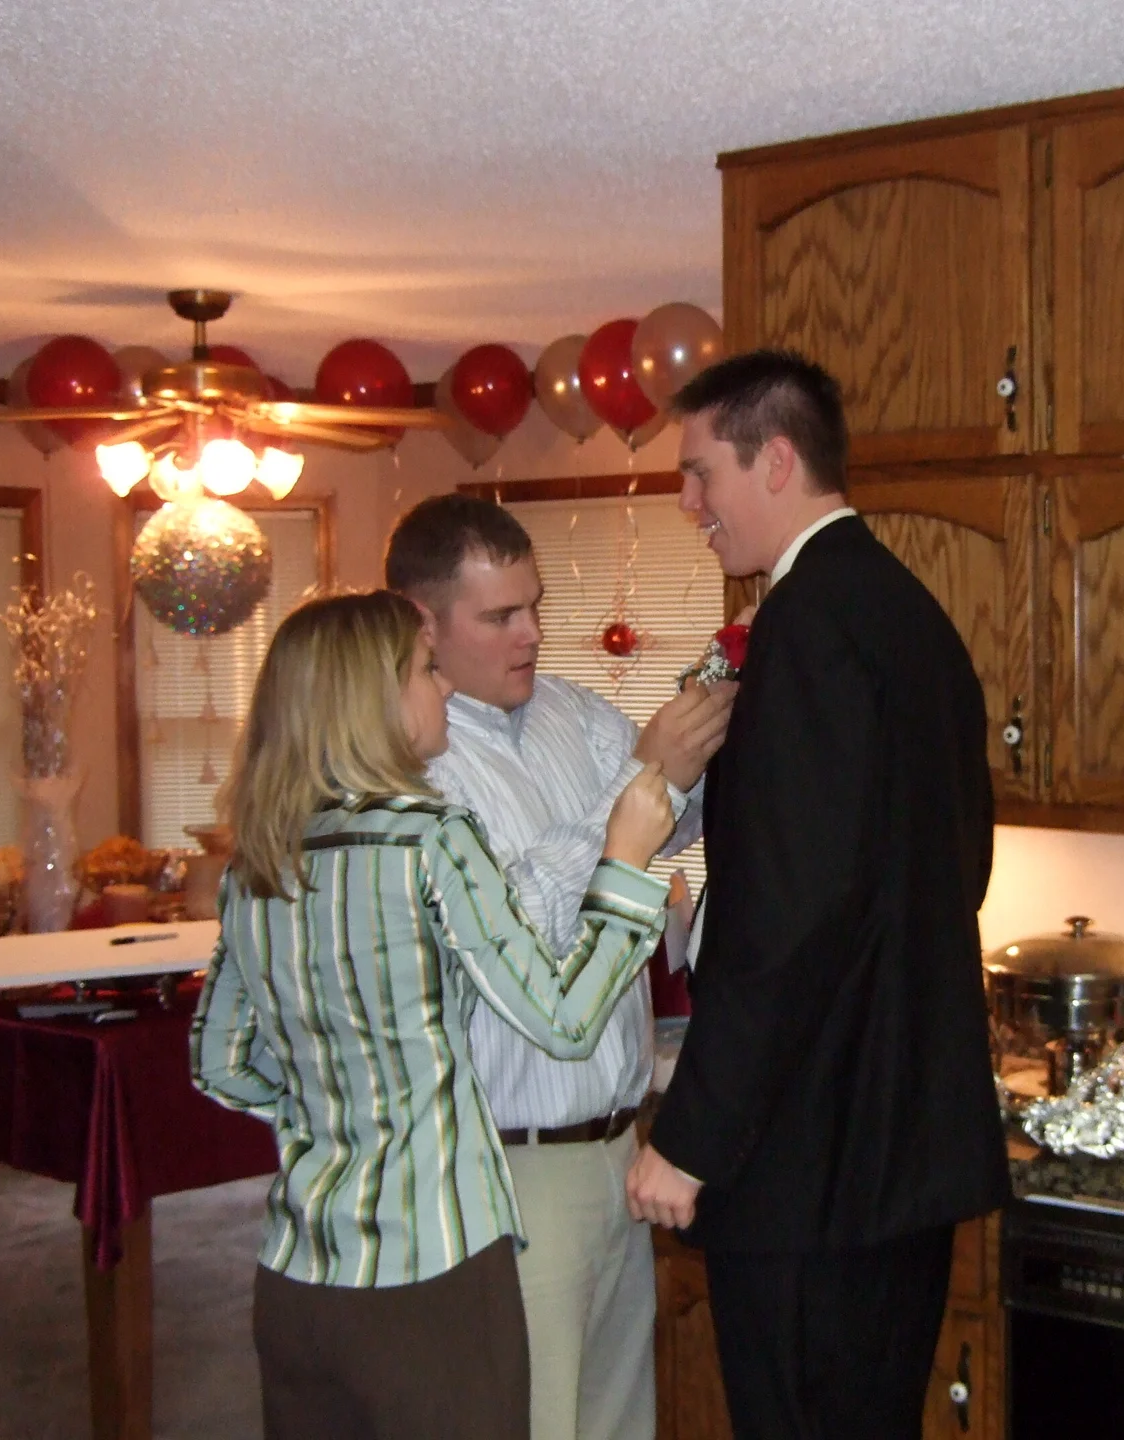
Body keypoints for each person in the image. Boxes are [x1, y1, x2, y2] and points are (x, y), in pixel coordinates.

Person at [627, 350, 1011, 1439]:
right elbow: (961, 866)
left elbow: (785, 925)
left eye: (701, 472)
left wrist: (690, 1137)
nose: (689, 501)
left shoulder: (806, 625)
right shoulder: (909, 615)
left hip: (812, 1164)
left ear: (777, 460)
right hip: (899, 1149)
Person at [190, 588, 677, 1440]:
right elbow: (564, 1022)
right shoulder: (430, 838)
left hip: (298, 1274)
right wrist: (625, 865)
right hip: (433, 1272)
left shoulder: (258, 861)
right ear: (372, 701)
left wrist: (343, 1110)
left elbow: (222, 1065)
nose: (444, 685)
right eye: (424, 670)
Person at [383, 496, 733, 1440]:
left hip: (620, 1149)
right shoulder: (408, 763)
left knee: (619, 1422)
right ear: (422, 622)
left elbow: (672, 819)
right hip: (510, 1171)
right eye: (500, 615)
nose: (532, 633)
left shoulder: (574, 712)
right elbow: (516, 923)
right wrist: (636, 790)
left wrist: (706, 738)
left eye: (534, 605)